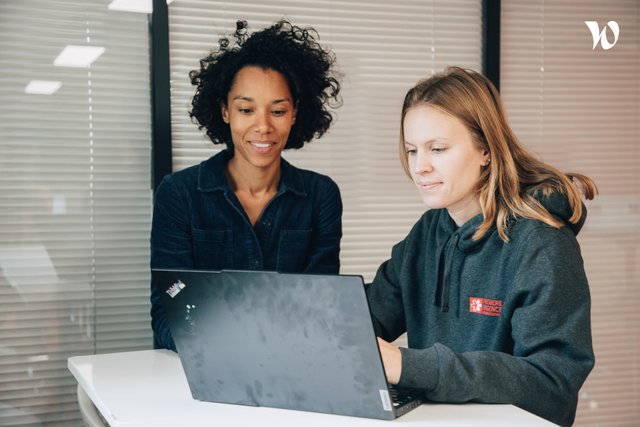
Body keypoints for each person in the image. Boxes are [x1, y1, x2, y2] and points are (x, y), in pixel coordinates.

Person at [366, 66, 596, 426]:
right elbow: (371, 314)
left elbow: (553, 382)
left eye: (437, 149)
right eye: (412, 150)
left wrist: (408, 365)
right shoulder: (430, 230)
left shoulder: (542, 245)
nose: (419, 167)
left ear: (485, 150)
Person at [150, 20, 343, 351]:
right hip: (197, 370)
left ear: (295, 113)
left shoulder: (320, 196)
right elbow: (169, 309)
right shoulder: (179, 194)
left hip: (288, 367)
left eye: (278, 110)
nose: (263, 126)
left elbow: (319, 304)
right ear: (225, 111)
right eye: (246, 109)